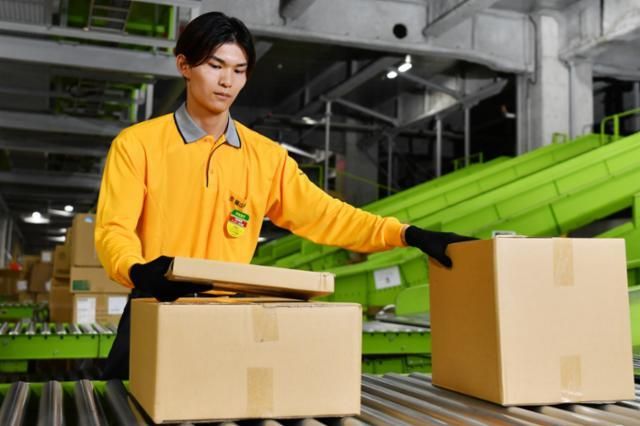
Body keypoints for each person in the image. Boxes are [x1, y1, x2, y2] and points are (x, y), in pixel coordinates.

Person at [95, 11, 474, 380]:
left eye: (239, 70)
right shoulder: (139, 145)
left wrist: (407, 234)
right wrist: (137, 270)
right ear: (184, 65)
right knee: (126, 407)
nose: (227, 81)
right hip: (153, 310)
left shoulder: (265, 158)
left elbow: (327, 215)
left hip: (225, 320)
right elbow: (115, 229)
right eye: (215, 65)